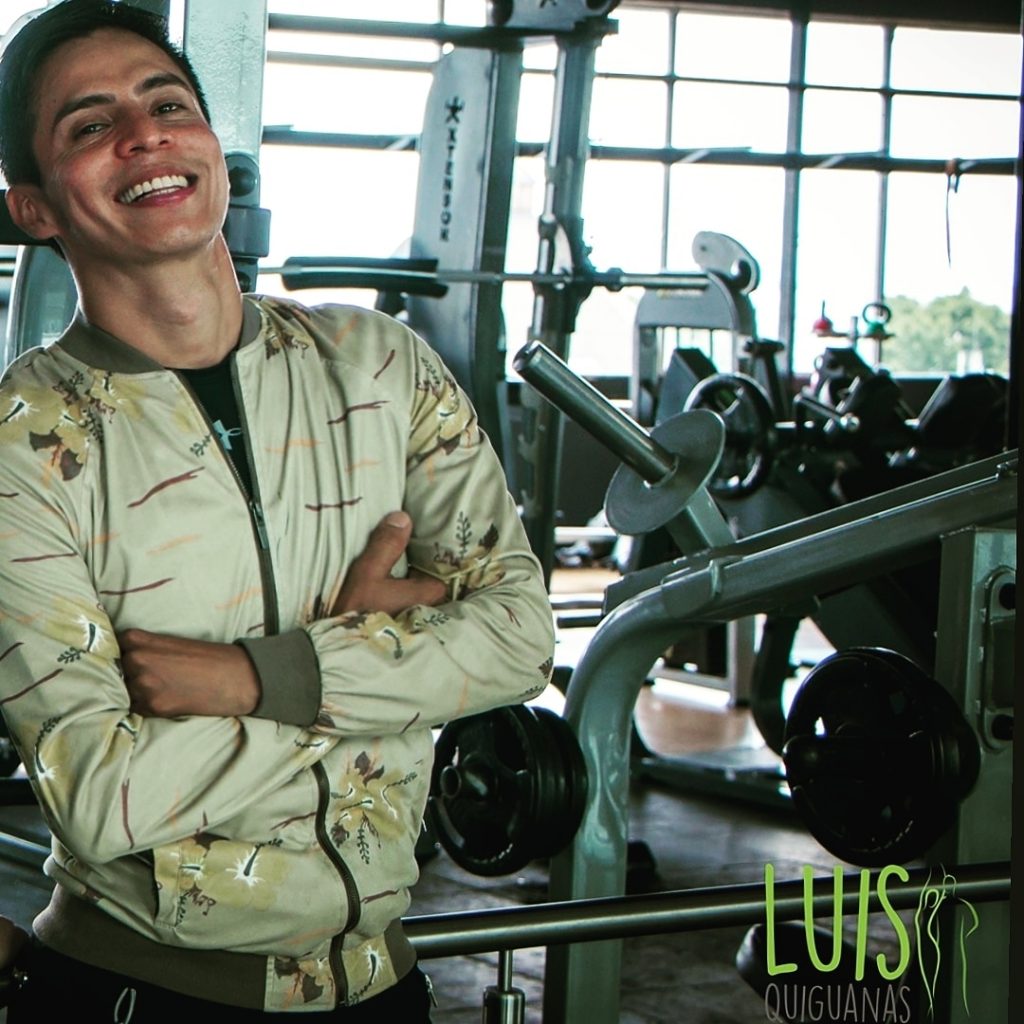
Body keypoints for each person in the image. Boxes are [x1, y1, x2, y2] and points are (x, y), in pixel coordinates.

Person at [0, 1, 555, 1019]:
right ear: (35, 207)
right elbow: (103, 796)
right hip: (143, 993)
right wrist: (385, 671)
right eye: (90, 124)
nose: (145, 134)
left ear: (212, 148)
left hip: (385, 985)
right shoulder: (23, 446)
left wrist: (264, 676)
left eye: (168, 103)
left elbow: (520, 637)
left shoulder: (378, 365)